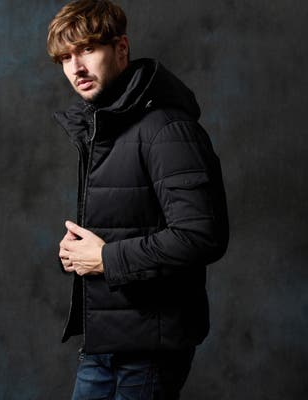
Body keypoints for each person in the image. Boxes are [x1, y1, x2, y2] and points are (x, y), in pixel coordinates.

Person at [47, 0, 229, 398]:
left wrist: (106, 258)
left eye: (87, 50)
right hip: (104, 342)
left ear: (121, 48)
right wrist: (77, 254)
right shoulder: (106, 127)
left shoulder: (166, 128)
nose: (76, 68)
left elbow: (202, 236)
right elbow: (127, 222)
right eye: (65, 58)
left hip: (150, 350)